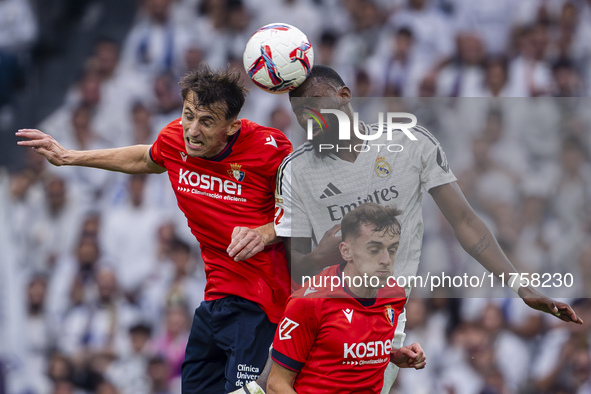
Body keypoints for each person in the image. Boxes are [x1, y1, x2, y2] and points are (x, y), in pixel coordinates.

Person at [238, 64, 582, 393]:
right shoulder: (295, 170)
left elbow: (464, 221)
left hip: (384, 319)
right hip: (321, 318)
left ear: (344, 95)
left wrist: (521, 286)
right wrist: (322, 255)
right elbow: (297, 265)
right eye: (300, 114)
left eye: (315, 106)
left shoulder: (410, 143)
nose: (308, 119)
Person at [16, 65, 292, 393]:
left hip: (262, 301)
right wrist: (69, 156)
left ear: (231, 127)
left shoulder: (270, 149)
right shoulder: (175, 139)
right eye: (188, 115)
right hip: (216, 298)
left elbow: (309, 211)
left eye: (206, 122)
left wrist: (264, 233)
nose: (192, 130)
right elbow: (144, 159)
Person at [266, 203, 426, 393]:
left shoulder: (394, 294)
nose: (386, 260)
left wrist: (391, 354)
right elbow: (276, 385)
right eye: (374, 250)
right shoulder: (308, 303)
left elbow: (344, 344)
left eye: (392, 249)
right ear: (346, 251)